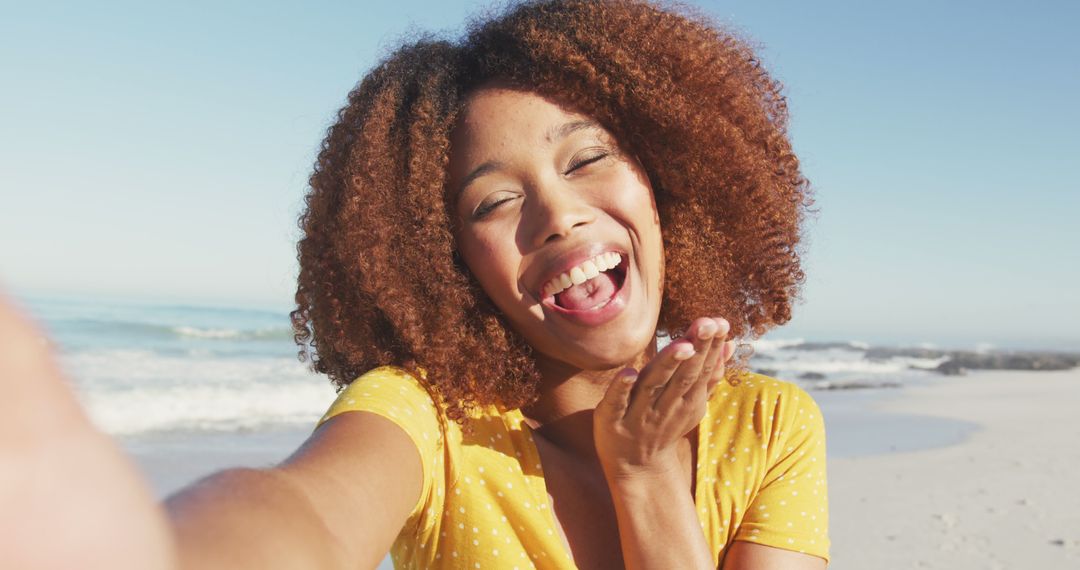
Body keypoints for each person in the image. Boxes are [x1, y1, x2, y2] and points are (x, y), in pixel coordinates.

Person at [0, 1, 828, 568]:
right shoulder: (429, 421)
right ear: (445, 260)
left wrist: (645, 478)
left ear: (667, 178)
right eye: (495, 202)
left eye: (586, 159)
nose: (558, 216)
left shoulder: (768, 429)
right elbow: (308, 513)